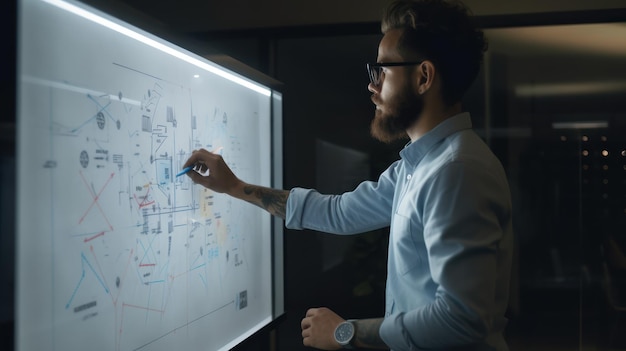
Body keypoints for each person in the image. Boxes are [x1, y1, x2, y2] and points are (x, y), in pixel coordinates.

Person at [182, 0, 514, 350]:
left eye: (382, 71)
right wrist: (235, 187)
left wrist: (346, 333)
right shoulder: (418, 167)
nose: (373, 86)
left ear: (424, 77)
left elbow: (461, 320)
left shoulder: (455, 171)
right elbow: (338, 212)